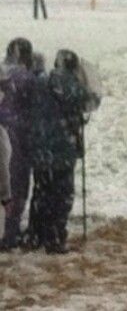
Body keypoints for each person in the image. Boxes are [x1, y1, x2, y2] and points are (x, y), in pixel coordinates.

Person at [28, 49, 89, 254]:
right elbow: (84, 105)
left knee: (41, 191)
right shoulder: (74, 85)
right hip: (62, 149)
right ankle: (55, 237)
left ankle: (36, 234)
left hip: (41, 147)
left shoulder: (41, 82)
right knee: (62, 194)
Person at [0, 38, 35, 250]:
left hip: (7, 136)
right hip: (18, 141)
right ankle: (10, 233)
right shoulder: (27, 79)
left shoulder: (4, 73)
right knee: (18, 189)